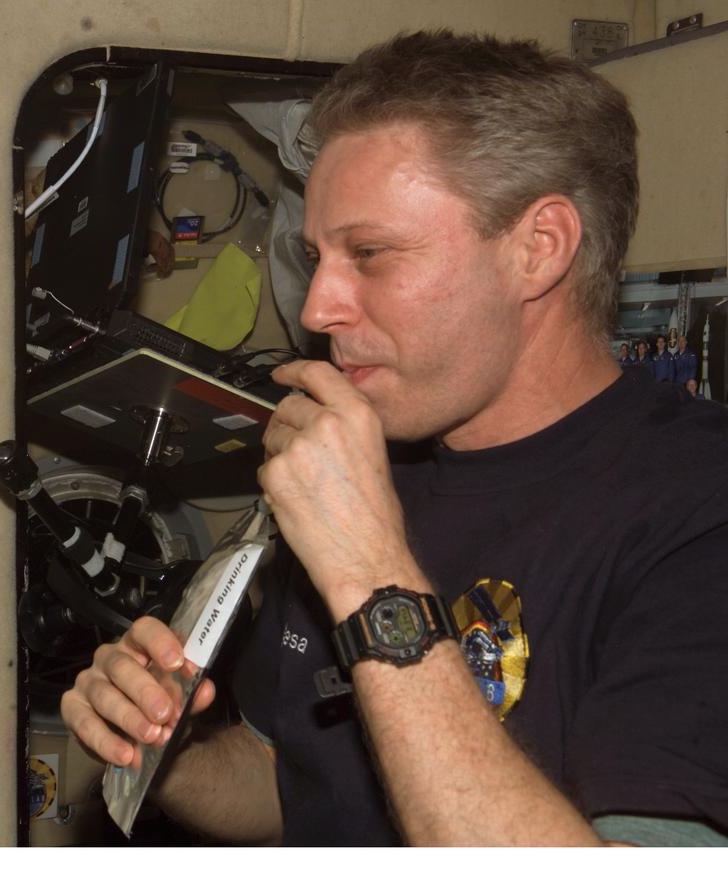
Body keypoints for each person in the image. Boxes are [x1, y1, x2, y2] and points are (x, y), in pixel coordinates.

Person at [62, 30, 728, 846]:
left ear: (539, 249)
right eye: (317, 257)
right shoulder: (364, 468)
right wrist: (159, 751)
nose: (317, 307)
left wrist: (371, 572)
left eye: (370, 253)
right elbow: (285, 777)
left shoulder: (698, 511)